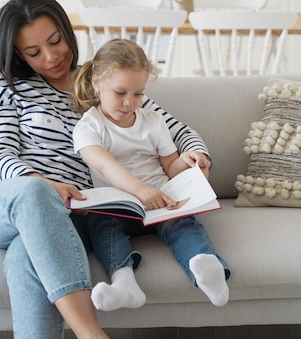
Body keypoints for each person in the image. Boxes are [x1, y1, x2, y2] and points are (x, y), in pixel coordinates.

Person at [0, 0, 213, 339]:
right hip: (4, 204)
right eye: (34, 52)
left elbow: (168, 126)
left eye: (56, 41)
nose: (51, 57)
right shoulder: (8, 86)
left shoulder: (101, 81)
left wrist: (195, 154)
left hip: (70, 217)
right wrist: (45, 183)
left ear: (67, 31)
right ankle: (93, 338)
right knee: (35, 193)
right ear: (17, 54)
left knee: (27, 254)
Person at [71, 38, 230, 312]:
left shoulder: (153, 122)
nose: (129, 103)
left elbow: (169, 166)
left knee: (184, 223)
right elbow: (107, 166)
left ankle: (205, 264)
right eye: (120, 93)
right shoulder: (88, 127)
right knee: (101, 225)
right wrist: (141, 191)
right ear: (97, 83)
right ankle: (124, 283)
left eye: (138, 94)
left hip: (161, 200)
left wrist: (188, 162)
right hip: (119, 207)